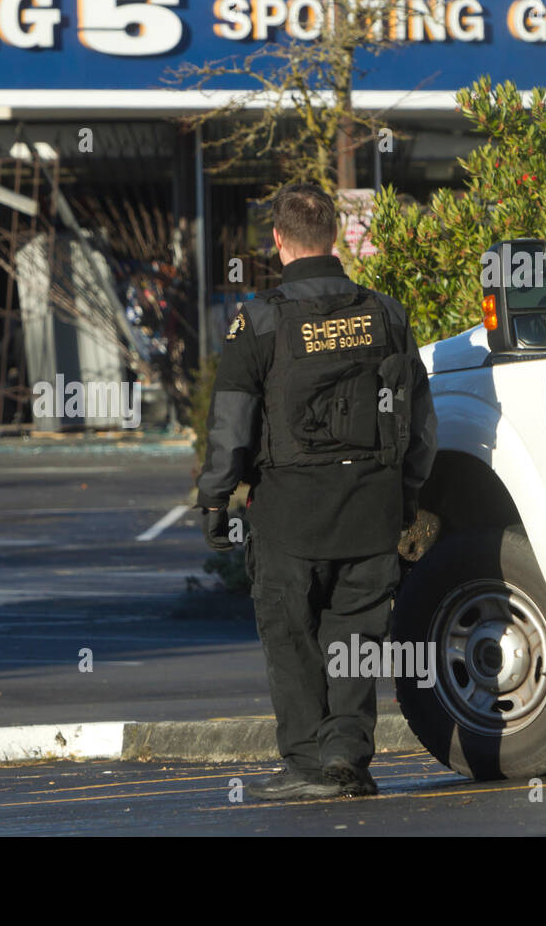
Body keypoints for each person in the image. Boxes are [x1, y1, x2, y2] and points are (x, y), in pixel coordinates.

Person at [196, 184, 437, 800]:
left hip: (289, 515)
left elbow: (232, 421)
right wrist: (406, 499)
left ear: (278, 241)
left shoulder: (259, 321)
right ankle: (346, 762)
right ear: (334, 237)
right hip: (370, 508)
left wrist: (215, 497)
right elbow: (419, 421)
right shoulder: (385, 313)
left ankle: (306, 765)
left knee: (293, 638)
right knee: (354, 640)